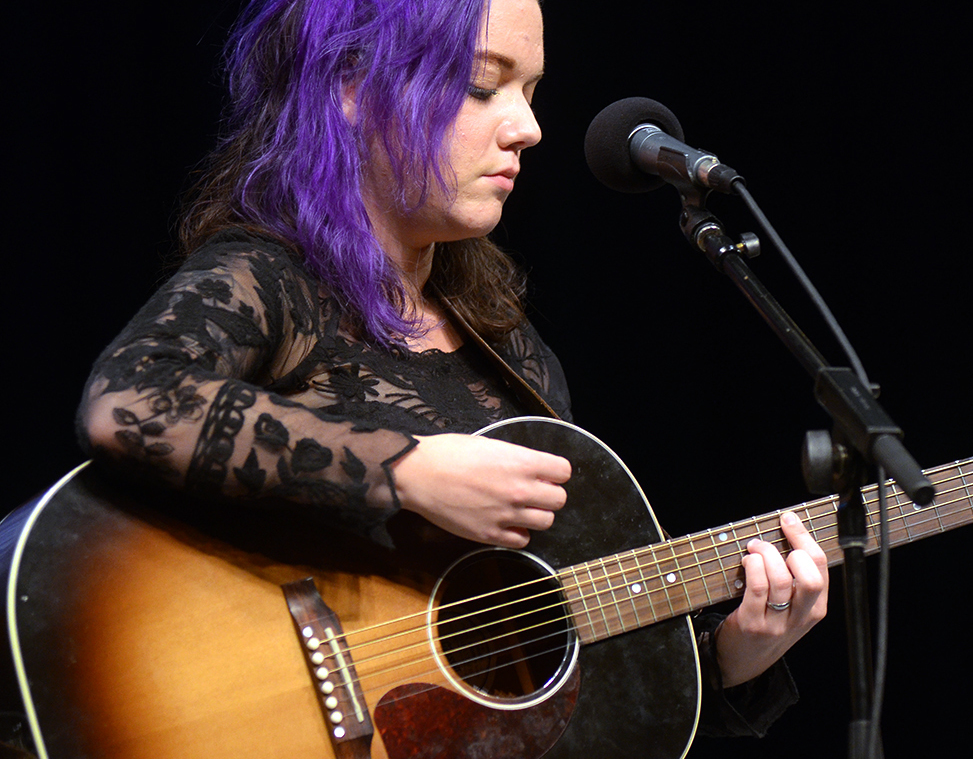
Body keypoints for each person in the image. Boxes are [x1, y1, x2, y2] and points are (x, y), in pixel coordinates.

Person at [76, 0, 827, 743]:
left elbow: (545, 684)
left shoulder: (511, 349)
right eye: (481, 85)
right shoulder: (268, 277)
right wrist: (406, 469)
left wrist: (731, 655)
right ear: (350, 85)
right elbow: (130, 401)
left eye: (531, 92)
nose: (528, 128)